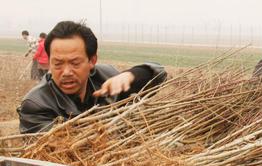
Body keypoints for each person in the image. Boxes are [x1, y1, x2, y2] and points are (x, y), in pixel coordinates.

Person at [18, 21, 167, 133]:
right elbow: (61, 150)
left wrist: (130, 76)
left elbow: (158, 74)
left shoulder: (105, 76)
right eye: (57, 64)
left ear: (92, 61)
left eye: (75, 63)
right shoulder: (36, 104)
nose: (66, 72)